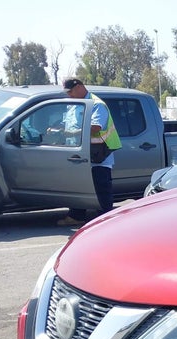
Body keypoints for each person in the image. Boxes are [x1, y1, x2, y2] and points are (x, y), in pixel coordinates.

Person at [57, 78, 122, 227]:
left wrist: (69, 133)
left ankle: (105, 220)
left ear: (80, 87)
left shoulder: (97, 104)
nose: (69, 95)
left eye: (70, 91)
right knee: (78, 186)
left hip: (99, 155)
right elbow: (68, 123)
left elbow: (96, 127)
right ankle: (76, 215)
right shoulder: (74, 104)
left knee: (101, 188)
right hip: (79, 155)